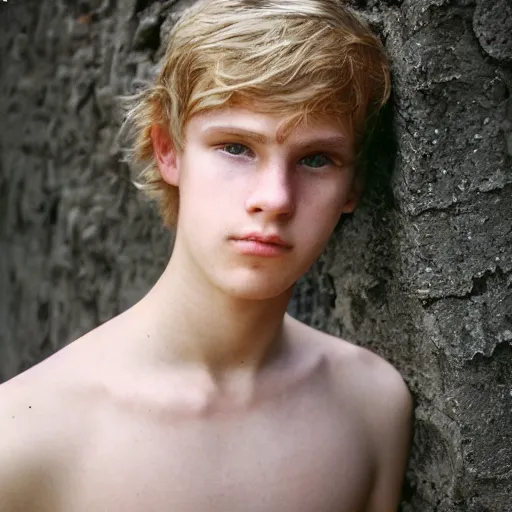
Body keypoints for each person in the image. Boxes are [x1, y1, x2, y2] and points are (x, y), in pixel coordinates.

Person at [0, 0, 413, 510]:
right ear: (168, 150)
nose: (275, 197)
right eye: (236, 147)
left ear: (354, 184)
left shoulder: (373, 407)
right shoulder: (23, 437)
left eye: (316, 159)